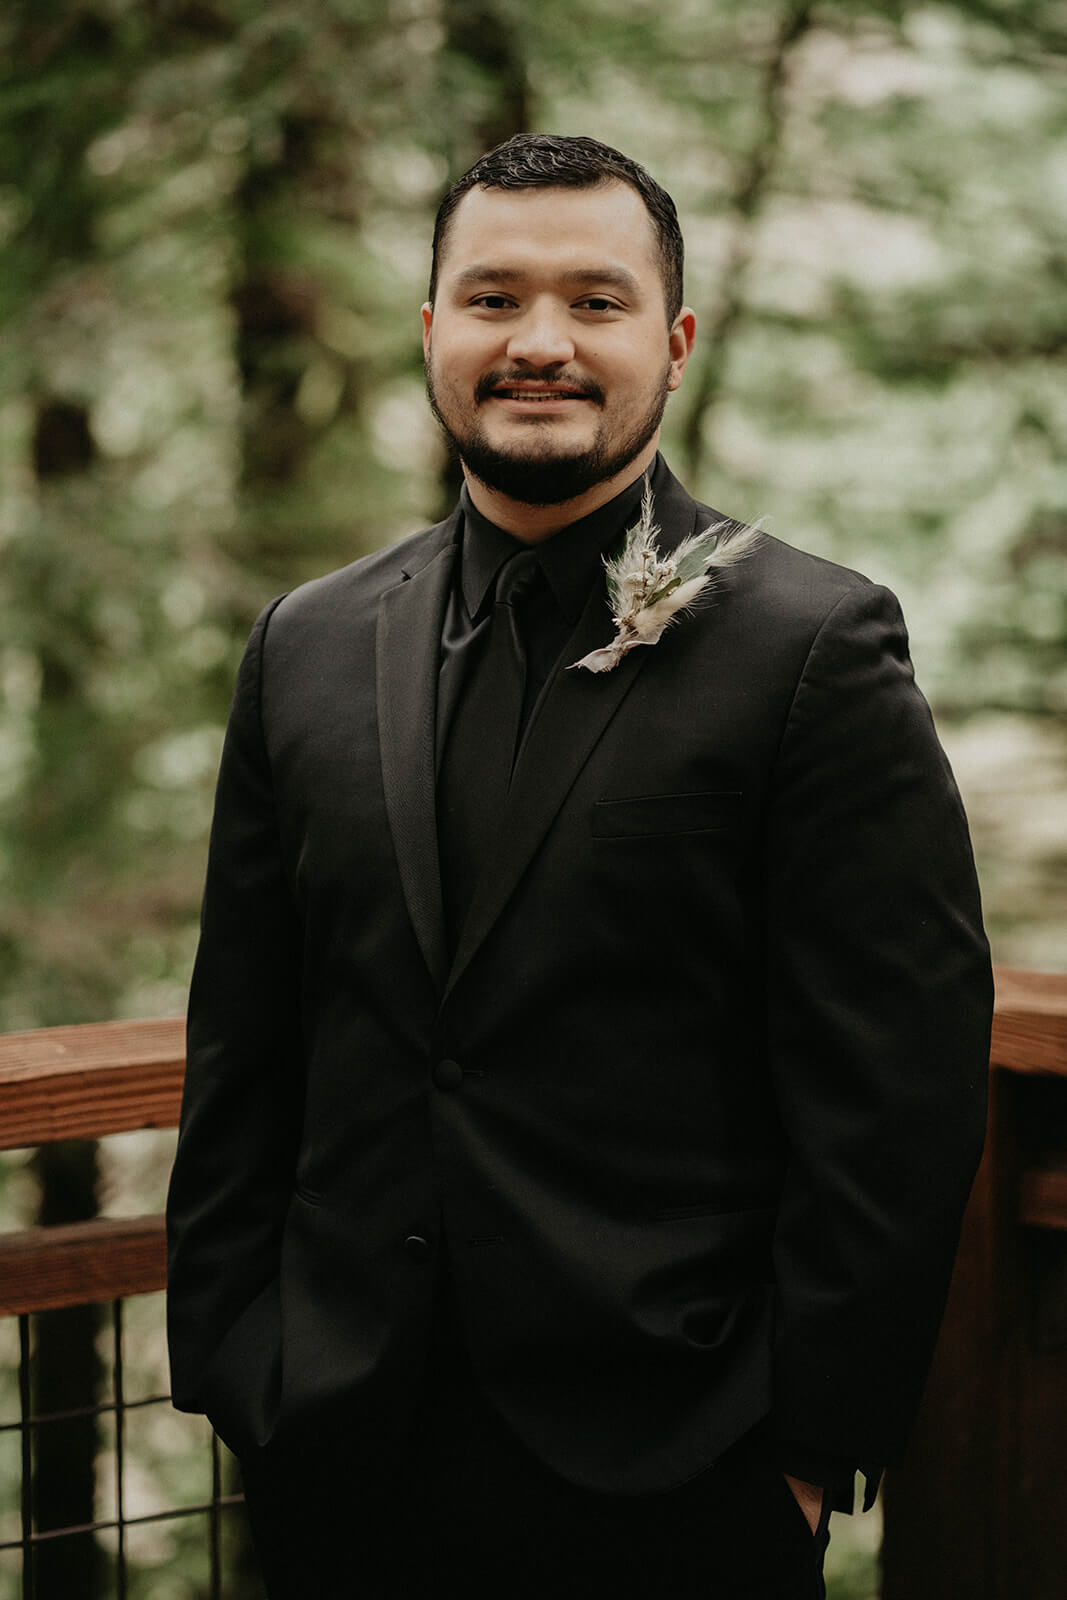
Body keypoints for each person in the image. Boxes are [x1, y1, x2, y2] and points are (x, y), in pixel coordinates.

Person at [166, 134, 993, 1599]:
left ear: (671, 343)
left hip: (678, 1467)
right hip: (339, 1455)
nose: (538, 342)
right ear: (434, 333)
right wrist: (241, 1364)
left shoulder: (816, 647)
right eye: (493, 298)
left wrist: (802, 1455)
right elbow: (249, 1035)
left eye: (595, 303)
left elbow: (898, 1094)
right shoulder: (305, 643)